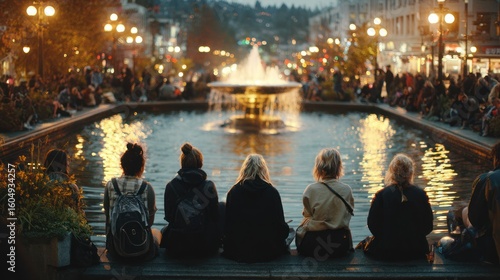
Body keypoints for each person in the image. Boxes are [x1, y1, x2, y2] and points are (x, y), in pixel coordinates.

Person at [363, 153, 433, 261]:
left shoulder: (381, 195)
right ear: (410, 172)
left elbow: (373, 225)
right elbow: (428, 226)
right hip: (416, 251)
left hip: (387, 251)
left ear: (392, 172)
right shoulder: (421, 195)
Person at [222, 154, 290, 263]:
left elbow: (228, 226)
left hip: (238, 252)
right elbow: (280, 227)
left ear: (244, 169)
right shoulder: (272, 192)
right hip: (268, 252)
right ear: (264, 170)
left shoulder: (234, 192)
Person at [103, 143, 161, 261]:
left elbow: (108, 217)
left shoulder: (110, 185)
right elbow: (149, 222)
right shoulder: (146, 188)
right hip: (142, 249)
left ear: (122, 165)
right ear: (141, 166)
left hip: (115, 250)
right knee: (156, 232)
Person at [162, 142, 221, 258]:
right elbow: (215, 217)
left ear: (182, 163)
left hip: (177, 248)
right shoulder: (208, 186)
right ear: (200, 163)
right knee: (222, 206)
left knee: (163, 230)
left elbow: (169, 217)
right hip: (204, 248)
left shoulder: (171, 186)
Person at [295, 148, 354, 259]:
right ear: (339, 167)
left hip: (314, 245)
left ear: (319, 167)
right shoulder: (346, 190)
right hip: (340, 245)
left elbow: (307, 215)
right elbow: (348, 215)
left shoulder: (311, 190)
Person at [465, 142, 500, 264]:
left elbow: (476, 220)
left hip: (493, 252)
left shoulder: (488, 179)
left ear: (496, 158)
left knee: (464, 212)